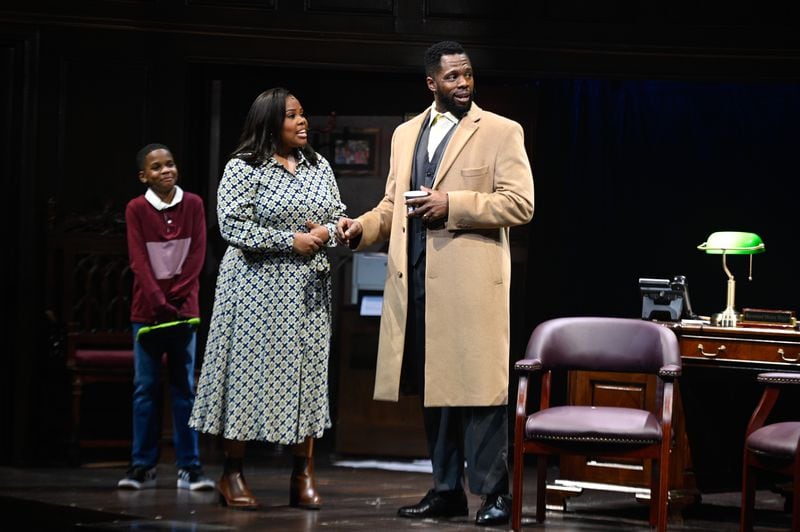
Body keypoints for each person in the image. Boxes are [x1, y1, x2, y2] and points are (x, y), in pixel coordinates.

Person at [335, 41, 534, 526]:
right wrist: (362, 228)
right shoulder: (406, 135)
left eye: (468, 75)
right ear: (432, 83)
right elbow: (391, 207)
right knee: (435, 393)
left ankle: (495, 495)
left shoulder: (501, 132)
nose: (463, 84)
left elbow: (520, 204)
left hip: (471, 287)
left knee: (481, 397)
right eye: (452, 77)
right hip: (418, 281)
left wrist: (455, 204)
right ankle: (446, 490)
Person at [189, 88, 346, 511]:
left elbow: (336, 217)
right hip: (255, 289)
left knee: (307, 375)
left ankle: (303, 472)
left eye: (303, 114)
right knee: (245, 375)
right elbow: (232, 227)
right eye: (292, 116)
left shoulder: (319, 165)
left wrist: (329, 233)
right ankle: (232, 473)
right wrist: (287, 241)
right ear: (270, 123)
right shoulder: (243, 167)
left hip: (308, 289)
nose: (302, 122)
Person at [118, 143, 213, 491]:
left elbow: (197, 255)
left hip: (183, 311)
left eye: (170, 164)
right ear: (144, 175)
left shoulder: (194, 205)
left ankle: (190, 466)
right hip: (148, 312)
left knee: (184, 388)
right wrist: (158, 301)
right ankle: (142, 465)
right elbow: (138, 260)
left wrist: (179, 296)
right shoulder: (136, 209)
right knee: (145, 388)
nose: (166, 171)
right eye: (157, 167)